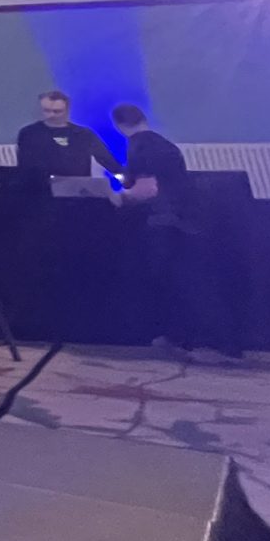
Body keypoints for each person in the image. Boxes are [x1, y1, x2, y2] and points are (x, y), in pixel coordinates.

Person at [110, 102, 240, 359]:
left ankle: (219, 345)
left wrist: (117, 198)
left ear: (119, 126)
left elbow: (147, 189)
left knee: (184, 283)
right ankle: (191, 338)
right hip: (185, 221)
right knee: (186, 282)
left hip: (165, 222)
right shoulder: (164, 144)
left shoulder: (139, 145)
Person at [14, 90, 111, 183]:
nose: (51, 115)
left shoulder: (82, 134)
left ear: (67, 111)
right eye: (47, 111)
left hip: (75, 187)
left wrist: (119, 175)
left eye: (57, 111)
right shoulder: (29, 133)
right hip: (40, 186)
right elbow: (24, 166)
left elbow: (105, 158)